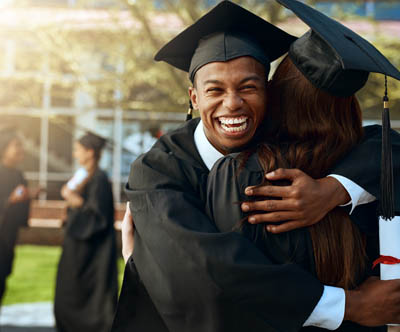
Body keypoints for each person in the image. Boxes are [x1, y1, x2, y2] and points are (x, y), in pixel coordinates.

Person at [113, 1, 400, 331]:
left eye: (248, 87)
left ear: (270, 93)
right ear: (194, 98)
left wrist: (332, 190)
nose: (233, 103)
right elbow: (206, 266)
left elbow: (384, 144)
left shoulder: (279, 141)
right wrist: (351, 305)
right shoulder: (157, 172)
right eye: (215, 90)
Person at [54, 132, 118, 332]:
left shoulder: (100, 179)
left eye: (77, 150)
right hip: (77, 248)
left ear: (90, 152)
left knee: (90, 294)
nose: (74, 154)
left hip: (93, 251)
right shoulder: (82, 175)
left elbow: (98, 218)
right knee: (69, 290)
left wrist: (75, 201)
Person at [0, 126, 31, 306]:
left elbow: (21, 212)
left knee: (3, 277)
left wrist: (28, 197)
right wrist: (9, 200)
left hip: (8, 237)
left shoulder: (19, 175)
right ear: (4, 148)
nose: (21, 149)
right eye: (16, 145)